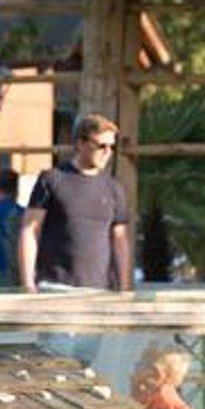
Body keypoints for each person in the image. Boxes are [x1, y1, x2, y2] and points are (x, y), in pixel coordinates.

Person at [18, 113, 132, 292]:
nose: (107, 152)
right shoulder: (52, 179)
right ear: (80, 144)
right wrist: (28, 283)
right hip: (55, 287)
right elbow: (30, 230)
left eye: (112, 147)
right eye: (101, 146)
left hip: (100, 291)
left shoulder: (114, 188)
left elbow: (120, 241)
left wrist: (124, 288)